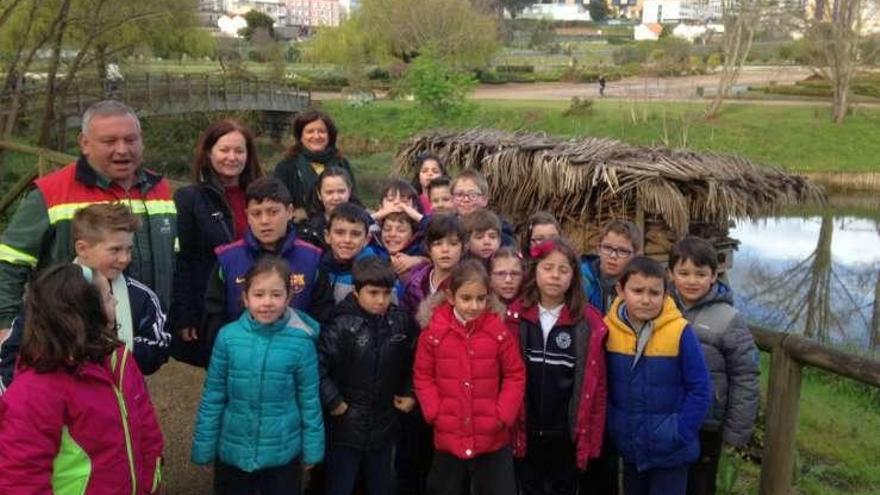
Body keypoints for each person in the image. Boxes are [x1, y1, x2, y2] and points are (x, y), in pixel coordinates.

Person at [0, 100, 176, 340]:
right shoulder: (51, 192)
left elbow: (173, 259)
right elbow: (9, 262)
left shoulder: (160, 189)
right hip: (70, 340)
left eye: (130, 139)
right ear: (85, 143)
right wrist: (5, 326)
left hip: (142, 338)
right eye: (109, 141)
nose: (122, 149)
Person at [0, 263, 164, 494]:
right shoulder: (35, 390)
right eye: (108, 297)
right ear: (85, 313)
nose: (116, 302)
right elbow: (21, 477)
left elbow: (146, 425)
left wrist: (150, 480)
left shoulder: (120, 360)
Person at [0, 203, 170, 392]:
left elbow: (159, 348)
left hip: (118, 401)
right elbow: (14, 348)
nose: (124, 258)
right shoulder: (48, 294)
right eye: (115, 250)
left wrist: (110, 350)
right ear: (82, 248)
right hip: (53, 404)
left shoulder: (142, 298)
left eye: (129, 249)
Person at [192, 256, 324, 495]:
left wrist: (312, 448)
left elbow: (309, 399)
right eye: (259, 294)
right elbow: (213, 396)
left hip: (282, 454)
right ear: (245, 298)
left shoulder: (302, 342)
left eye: (276, 294)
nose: (267, 302)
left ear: (288, 298)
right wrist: (204, 446)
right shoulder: (227, 337)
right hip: (233, 451)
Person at [413, 259, 526, 495]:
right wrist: (435, 411)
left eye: (481, 298)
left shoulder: (498, 332)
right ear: (452, 297)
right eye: (466, 298)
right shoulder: (434, 332)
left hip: (492, 436)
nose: (474, 306)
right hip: (448, 433)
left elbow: (515, 374)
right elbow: (423, 375)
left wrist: (503, 414)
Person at [508, 239, 608, 495]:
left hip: (566, 433)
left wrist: (591, 440)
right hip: (525, 429)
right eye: (547, 267)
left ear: (574, 276)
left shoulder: (589, 324)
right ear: (535, 271)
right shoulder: (514, 318)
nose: (555, 276)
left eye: (563, 270)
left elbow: (596, 389)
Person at [605, 256, 712, 495]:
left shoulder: (679, 331)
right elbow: (602, 385)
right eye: (638, 290)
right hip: (630, 444)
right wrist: (614, 425)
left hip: (671, 449)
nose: (646, 299)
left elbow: (701, 388)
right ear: (621, 290)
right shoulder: (608, 330)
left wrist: (681, 430)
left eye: (654, 293)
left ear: (665, 294)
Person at [202, 176, 333, 362]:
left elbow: (323, 317)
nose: (264, 221)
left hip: (295, 365)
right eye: (256, 213)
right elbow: (213, 319)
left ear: (289, 212)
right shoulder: (228, 259)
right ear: (247, 215)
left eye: (273, 212)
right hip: (241, 364)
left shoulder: (311, 258)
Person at [318, 257, 418, 495]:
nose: (381, 300)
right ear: (356, 290)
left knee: (381, 485)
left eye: (386, 293)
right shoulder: (339, 324)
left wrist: (409, 391)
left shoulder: (400, 321)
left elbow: (415, 361)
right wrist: (333, 401)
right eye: (373, 293)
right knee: (340, 484)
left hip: (385, 424)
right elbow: (318, 366)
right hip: (345, 425)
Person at [668, 237, 759, 495]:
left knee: (700, 483)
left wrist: (736, 432)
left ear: (714, 275)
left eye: (700, 273)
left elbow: (745, 376)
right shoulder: (661, 308)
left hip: (708, 422)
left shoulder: (729, 319)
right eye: (683, 273)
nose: (691, 280)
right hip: (667, 415)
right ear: (671, 273)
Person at [172, 119, 262, 366]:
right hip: (214, 305)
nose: (232, 157)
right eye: (224, 150)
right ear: (209, 153)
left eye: (239, 150)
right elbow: (183, 258)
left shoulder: (261, 195)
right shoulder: (190, 199)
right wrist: (185, 312)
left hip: (261, 302)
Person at [273, 110, 356, 222]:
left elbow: (354, 198)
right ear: (300, 136)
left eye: (321, 131)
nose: (316, 136)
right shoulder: (287, 165)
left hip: (340, 225)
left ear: (330, 135)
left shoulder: (341, 162)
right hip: (301, 228)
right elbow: (278, 203)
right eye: (310, 131)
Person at [399, 214, 466, 315]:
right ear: (428, 248)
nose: (445, 250)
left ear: (463, 248)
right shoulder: (414, 283)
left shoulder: (470, 283)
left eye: (453, 243)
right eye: (438, 244)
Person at [319, 202, 382, 303]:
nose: (347, 240)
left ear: (367, 239)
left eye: (355, 234)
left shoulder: (378, 275)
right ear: (327, 236)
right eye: (339, 233)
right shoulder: (318, 268)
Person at [581, 219, 643, 314]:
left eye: (622, 251)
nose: (613, 256)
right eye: (607, 248)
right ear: (598, 249)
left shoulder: (641, 285)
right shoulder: (581, 279)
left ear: (635, 256)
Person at [450, 170, 515, 246]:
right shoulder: (447, 227)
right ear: (452, 199)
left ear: (484, 200)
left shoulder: (499, 229)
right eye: (459, 195)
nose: (466, 199)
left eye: (472, 195)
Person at [298, 167, 356, 251]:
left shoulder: (365, 224)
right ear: (319, 195)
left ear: (349, 191)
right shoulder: (309, 231)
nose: (336, 197)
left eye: (341, 191)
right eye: (329, 192)